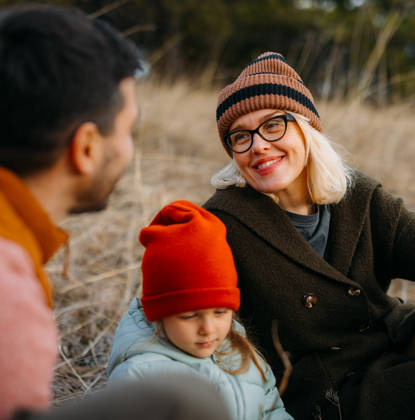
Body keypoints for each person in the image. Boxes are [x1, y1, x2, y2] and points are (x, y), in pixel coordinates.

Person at [0, 5, 231, 420]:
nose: (129, 149)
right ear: (86, 147)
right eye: (127, 130)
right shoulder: (10, 301)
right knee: (187, 402)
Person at [203, 51, 415, 420]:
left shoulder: (359, 196)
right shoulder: (222, 224)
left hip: (396, 341)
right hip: (330, 390)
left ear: (306, 128)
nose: (258, 145)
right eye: (241, 136)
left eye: (272, 125)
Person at [107, 200, 293, 420]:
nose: (208, 328)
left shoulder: (242, 353)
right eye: (189, 315)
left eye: (220, 312)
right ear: (158, 313)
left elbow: (272, 411)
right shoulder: (139, 377)